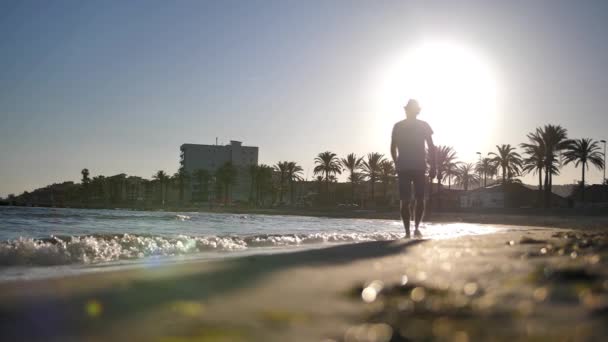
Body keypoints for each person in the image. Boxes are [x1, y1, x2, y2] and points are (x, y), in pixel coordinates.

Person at [390, 99, 436, 238]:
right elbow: (393, 146)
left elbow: (431, 146)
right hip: (404, 167)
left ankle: (415, 229)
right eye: (409, 109)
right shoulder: (398, 126)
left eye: (413, 109)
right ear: (406, 110)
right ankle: (407, 232)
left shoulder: (424, 125)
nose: (411, 111)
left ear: (417, 111)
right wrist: (396, 162)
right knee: (405, 200)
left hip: (419, 167)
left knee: (420, 199)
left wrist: (434, 166)